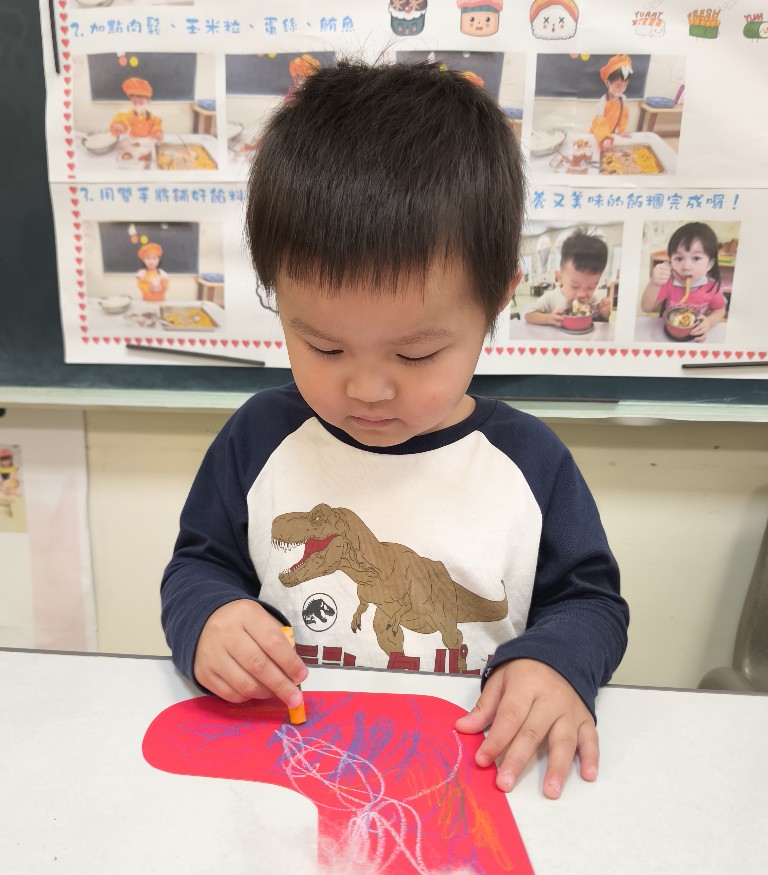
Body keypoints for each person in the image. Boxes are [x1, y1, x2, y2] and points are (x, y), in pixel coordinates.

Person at [161, 60, 629, 800]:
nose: (368, 389)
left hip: (468, 770)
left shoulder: (528, 462)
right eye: (324, 348)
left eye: (416, 355)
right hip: (287, 766)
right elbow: (198, 565)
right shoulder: (259, 438)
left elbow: (591, 602)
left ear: (498, 300)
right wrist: (211, 618)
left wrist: (555, 663)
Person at [640, 222, 726, 341]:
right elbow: (646, 308)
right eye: (679, 258)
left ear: (709, 264)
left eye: (696, 258)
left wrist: (709, 322)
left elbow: (720, 310)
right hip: (667, 335)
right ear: (671, 261)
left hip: (695, 336)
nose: (686, 266)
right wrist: (654, 283)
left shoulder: (712, 287)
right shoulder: (669, 283)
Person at [525, 231, 611, 326]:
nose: (582, 295)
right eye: (575, 286)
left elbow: (601, 324)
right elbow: (529, 315)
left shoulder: (593, 301)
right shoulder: (551, 298)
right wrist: (548, 318)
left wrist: (605, 313)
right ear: (559, 278)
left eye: (591, 287)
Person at [590, 54, 633, 150]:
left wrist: (621, 130)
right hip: (599, 135)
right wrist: (604, 137)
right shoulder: (603, 102)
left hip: (611, 135)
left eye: (625, 86)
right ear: (607, 83)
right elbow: (599, 122)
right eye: (618, 86)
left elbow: (623, 116)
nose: (621, 89)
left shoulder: (623, 99)